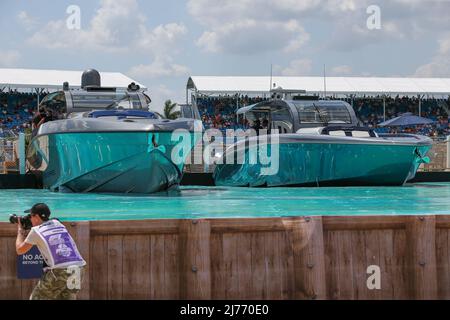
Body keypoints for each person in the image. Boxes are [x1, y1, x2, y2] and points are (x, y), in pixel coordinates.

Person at [15, 203, 86, 300]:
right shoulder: (58, 223)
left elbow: (20, 250)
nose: (30, 219)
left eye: (30, 216)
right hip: (78, 269)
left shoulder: (36, 231)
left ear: (36, 216)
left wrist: (20, 231)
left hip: (60, 271)